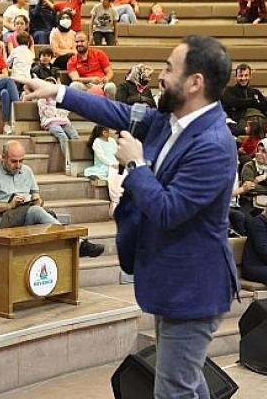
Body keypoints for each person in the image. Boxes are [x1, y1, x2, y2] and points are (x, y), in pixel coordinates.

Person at [18, 35, 239, 398]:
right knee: (185, 379)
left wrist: (136, 165)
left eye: (169, 68)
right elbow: (119, 113)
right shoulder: (172, 118)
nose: (161, 76)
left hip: (193, 287)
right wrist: (58, 92)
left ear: (195, 82)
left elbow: (169, 211)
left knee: (173, 389)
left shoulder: (214, 144)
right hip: (173, 280)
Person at [0, 139, 105, 256]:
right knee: (36, 212)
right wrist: (9, 205)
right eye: (14, 161)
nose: (18, 165)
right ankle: (78, 244)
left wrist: (38, 201)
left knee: (48, 214)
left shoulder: (27, 171)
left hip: (25, 213)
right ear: (3, 157)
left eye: (21, 161)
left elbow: (36, 195)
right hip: (2, 221)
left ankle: (66, 251)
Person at [37, 81, 80, 173]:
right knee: (62, 136)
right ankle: (69, 161)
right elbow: (48, 114)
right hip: (50, 122)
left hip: (64, 121)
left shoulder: (60, 98)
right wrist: (49, 102)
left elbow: (66, 112)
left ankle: (78, 159)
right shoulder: (42, 99)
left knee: (74, 135)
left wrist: (56, 106)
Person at [84, 124, 123, 214]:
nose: (113, 131)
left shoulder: (112, 140)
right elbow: (101, 157)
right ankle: (115, 200)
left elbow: (117, 153)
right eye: (110, 129)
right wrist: (111, 164)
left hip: (115, 163)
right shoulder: (97, 142)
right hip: (103, 165)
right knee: (114, 173)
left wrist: (119, 162)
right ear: (104, 132)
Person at [221, 63, 267, 136]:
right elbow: (233, 102)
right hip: (240, 121)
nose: (243, 78)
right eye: (240, 75)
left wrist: (244, 103)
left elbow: (265, 106)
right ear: (235, 77)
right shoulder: (229, 90)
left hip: (260, 118)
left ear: (250, 76)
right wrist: (253, 102)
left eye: (246, 75)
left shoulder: (255, 91)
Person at [67, 32, 116, 99]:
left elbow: (110, 72)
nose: (79, 44)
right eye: (77, 42)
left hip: (101, 84)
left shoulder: (99, 53)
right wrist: (91, 79)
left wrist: (107, 78)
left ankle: (110, 105)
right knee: (74, 85)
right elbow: (75, 79)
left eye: (82, 41)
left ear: (88, 42)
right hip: (85, 85)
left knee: (111, 86)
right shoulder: (71, 60)